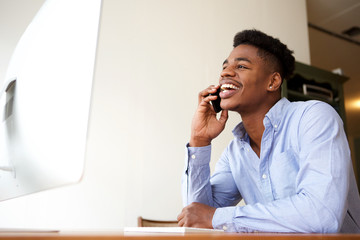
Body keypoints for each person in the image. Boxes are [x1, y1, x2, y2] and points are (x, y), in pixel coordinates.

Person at [177, 29, 360, 233]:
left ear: (273, 82)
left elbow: (321, 214)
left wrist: (217, 217)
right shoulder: (235, 152)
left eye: (241, 66)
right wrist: (199, 140)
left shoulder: (315, 117)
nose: (225, 73)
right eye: (225, 67)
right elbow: (197, 215)